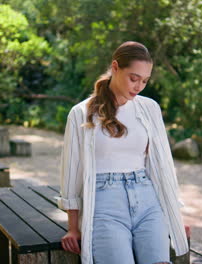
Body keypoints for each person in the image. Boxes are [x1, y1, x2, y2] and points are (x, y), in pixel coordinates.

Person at [55, 41, 189, 264]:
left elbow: (164, 166)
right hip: (104, 204)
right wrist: (73, 227)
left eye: (144, 81)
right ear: (115, 68)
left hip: (147, 200)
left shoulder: (149, 109)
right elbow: (71, 171)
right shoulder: (81, 113)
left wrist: (175, 215)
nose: (138, 87)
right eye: (133, 78)